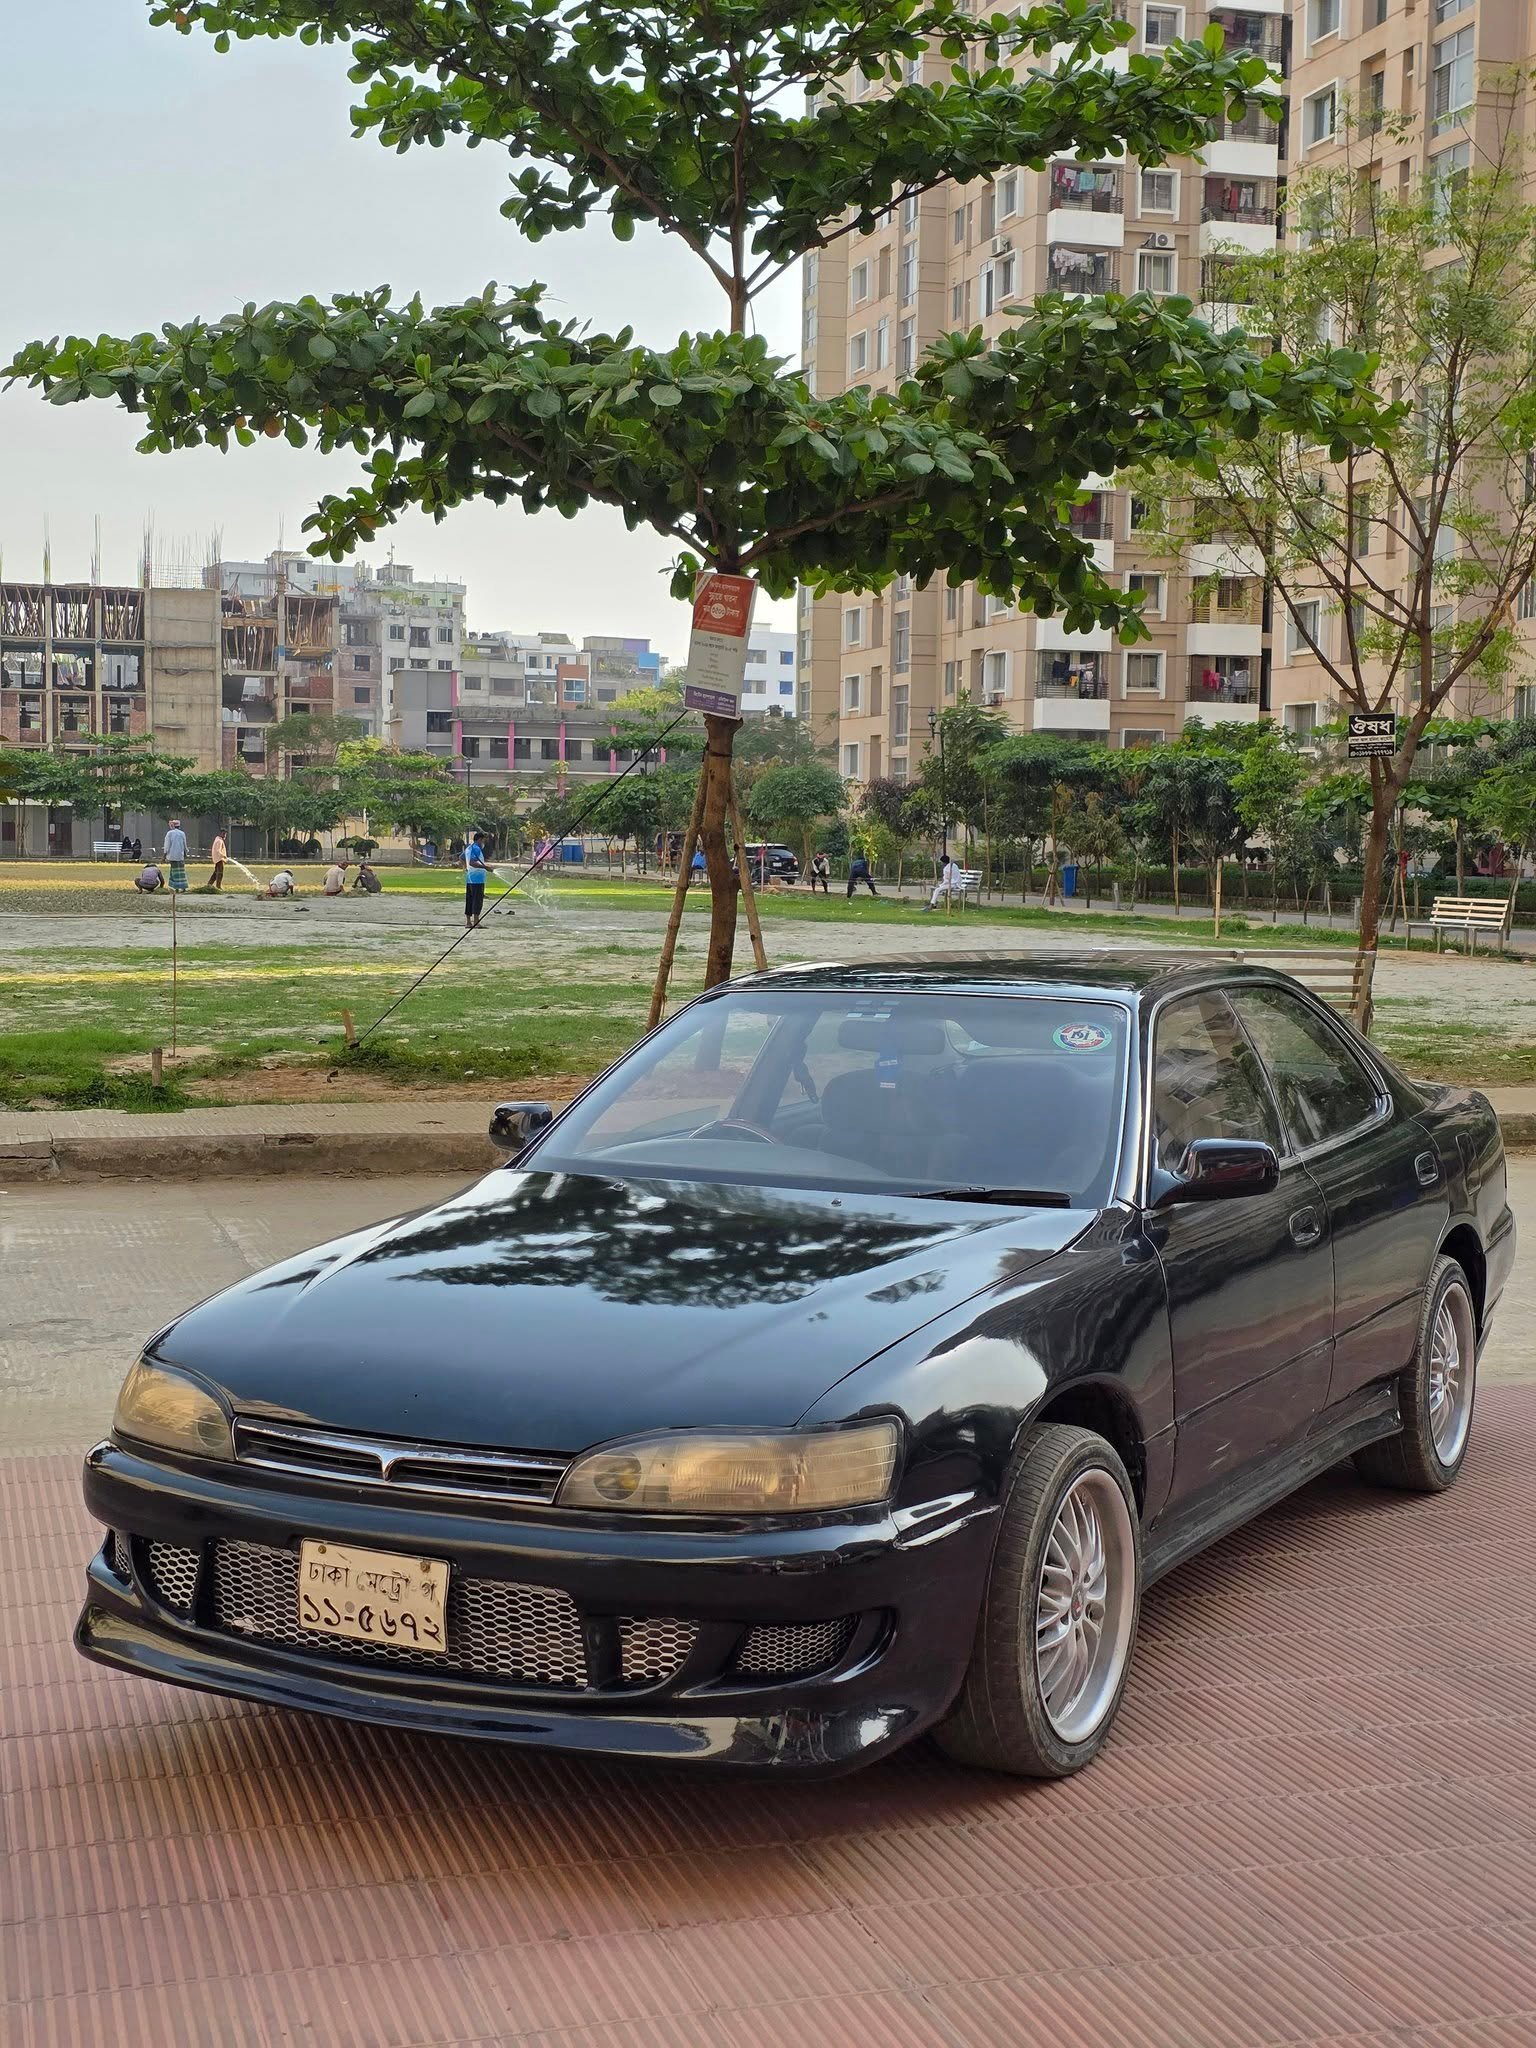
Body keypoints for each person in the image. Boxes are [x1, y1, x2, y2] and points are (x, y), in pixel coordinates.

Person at [464, 834, 488, 928]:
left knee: (469, 900)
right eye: (483, 840)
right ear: (480, 839)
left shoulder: (469, 848)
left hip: (469, 878)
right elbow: (472, 862)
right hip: (477, 879)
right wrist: (485, 867)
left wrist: (466, 868)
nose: (483, 843)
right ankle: (476, 922)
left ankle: (468, 922)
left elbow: (461, 858)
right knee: (477, 900)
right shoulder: (476, 849)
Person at [162, 818, 189, 893]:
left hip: (172, 856)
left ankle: (176, 888)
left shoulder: (169, 833)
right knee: (181, 871)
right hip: (180, 856)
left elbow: (167, 846)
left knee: (174, 872)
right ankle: (183, 888)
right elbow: (185, 845)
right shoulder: (182, 833)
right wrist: (186, 853)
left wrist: (164, 856)